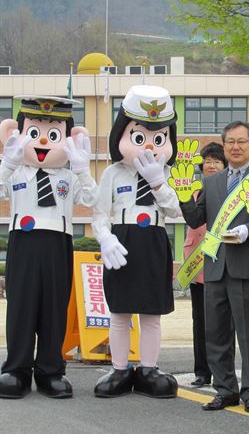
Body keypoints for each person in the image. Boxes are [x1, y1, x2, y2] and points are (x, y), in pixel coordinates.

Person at [0, 96, 96, 399]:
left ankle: (50, 371)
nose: (43, 140)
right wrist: (7, 162)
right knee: (20, 307)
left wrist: (83, 169)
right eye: (34, 133)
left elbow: (92, 201)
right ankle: (16, 369)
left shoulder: (68, 176)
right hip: (23, 242)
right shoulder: (15, 171)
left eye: (53, 135)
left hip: (58, 243)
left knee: (54, 309)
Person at [180, 120, 249, 413]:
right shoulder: (210, 181)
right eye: (230, 142)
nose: (236, 147)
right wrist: (184, 193)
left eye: (241, 142)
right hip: (215, 266)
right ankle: (225, 389)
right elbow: (196, 220)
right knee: (217, 333)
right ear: (224, 147)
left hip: (247, 263)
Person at [92, 85, 181, 399]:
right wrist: (105, 239)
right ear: (121, 134)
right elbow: (99, 214)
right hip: (123, 240)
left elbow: (176, 211)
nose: (150, 146)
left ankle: (148, 368)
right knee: (120, 312)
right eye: (139, 137)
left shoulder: (169, 173)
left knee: (151, 313)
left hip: (154, 241)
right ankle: (119, 368)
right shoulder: (113, 174)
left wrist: (159, 183)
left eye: (159, 139)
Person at [184, 142, 227, 387]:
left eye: (216, 161)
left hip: (219, 260)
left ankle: (221, 369)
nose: (211, 165)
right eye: (207, 161)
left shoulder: (227, 189)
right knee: (199, 319)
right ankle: (202, 371)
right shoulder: (193, 190)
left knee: (220, 320)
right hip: (196, 262)